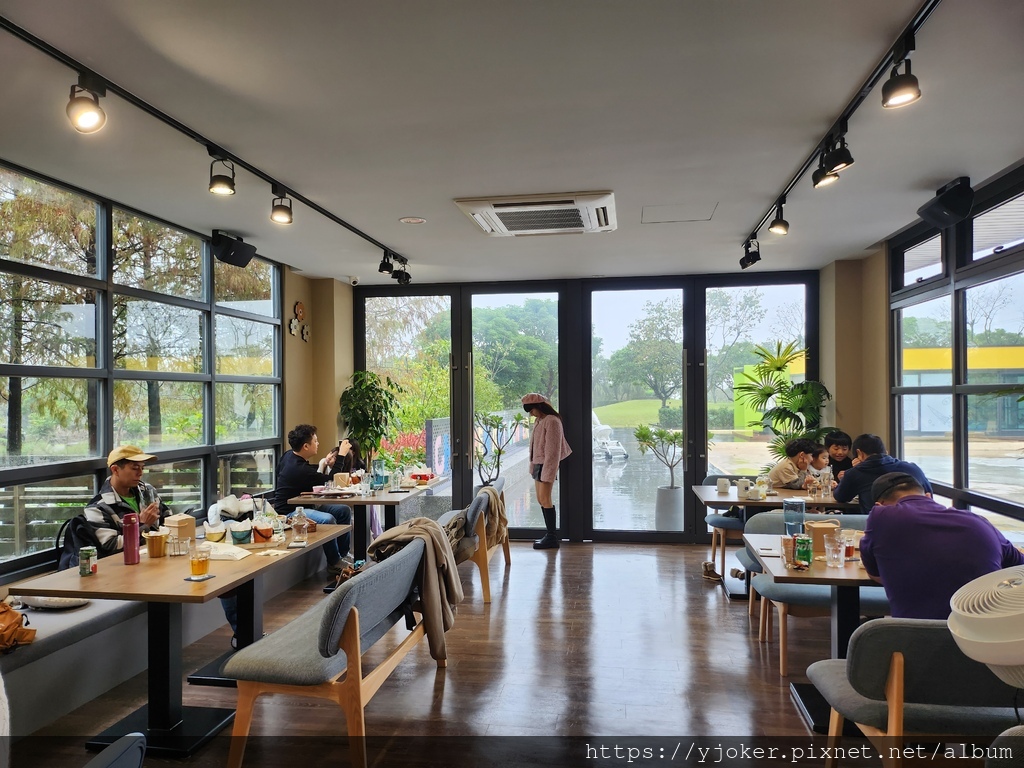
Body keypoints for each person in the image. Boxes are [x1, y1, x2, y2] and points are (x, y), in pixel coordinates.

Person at [860, 472, 1024, 619]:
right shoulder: (979, 522)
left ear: (879, 505)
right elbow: (1018, 565)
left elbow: (874, 573)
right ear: (929, 496)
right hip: (984, 640)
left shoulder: (880, 516)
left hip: (912, 641)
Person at [273, 424, 352, 574]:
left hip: (306, 506)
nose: (318, 444)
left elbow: (288, 473)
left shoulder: (289, 455)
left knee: (343, 510)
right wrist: (341, 455)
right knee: (328, 519)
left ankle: (343, 555)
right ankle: (334, 562)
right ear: (306, 446)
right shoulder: (300, 469)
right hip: (290, 512)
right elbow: (330, 480)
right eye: (315, 441)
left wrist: (323, 463)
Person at [83, 446, 168, 557]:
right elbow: (111, 546)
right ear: (115, 470)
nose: (140, 473)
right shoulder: (97, 508)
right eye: (135, 468)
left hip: (157, 556)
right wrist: (143, 525)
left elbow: (167, 519)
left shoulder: (147, 491)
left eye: (142, 467)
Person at [833, 433, 932, 514]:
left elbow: (840, 497)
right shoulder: (913, 468)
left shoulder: (856, 473)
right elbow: (929, 494)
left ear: (860, 454)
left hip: (877, 527)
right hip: (920, 523)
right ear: (886, 452)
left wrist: (854, 471)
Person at [522, 393, 572, 550]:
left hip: (546, 465)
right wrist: (532, 465)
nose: (531, 414)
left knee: (545, 499)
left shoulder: (552, 421)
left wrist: (549, 472)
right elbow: (534, 446)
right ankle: (550, 535)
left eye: (532, 410)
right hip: (538, 464)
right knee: (540, 499)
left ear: (539, 406)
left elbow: (553, 452)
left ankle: (552, 537)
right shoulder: (540, 420)